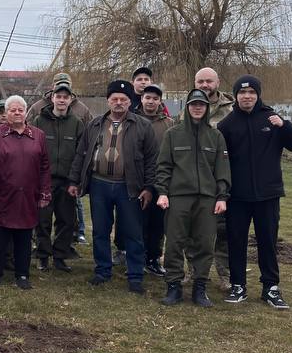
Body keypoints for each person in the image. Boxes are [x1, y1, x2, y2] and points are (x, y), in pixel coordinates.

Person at [217, 75, 292, 308]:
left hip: (268, 195)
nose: (247, 97)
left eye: (251, 93)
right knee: (237, 242)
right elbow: (219, 160)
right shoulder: (226, 125)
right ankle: (238, 286)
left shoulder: (272, 118)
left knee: (267, 241)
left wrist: (284, 125)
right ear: (236, 96)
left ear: (258, 95)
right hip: (237, 197)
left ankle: (271, 287)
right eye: (242, 93)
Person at [68, 79, 157, 294]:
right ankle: (102, 270)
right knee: (100, 230)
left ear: (129, 102)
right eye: (114, 99)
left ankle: (135, 275)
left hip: (129, 186)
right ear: (108, 101)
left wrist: (149, 187)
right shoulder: (95, 124)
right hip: (100, 184)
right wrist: (74, 181)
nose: (118, 103)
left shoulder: (142, 125)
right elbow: (82, 153)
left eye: (123, 99)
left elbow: (151, 159)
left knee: (133, 232)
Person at [155, 89, 231, 307]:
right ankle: (174, 286)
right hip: (178, 197)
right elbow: (164, 167)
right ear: (187, 107)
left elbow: (222, 170)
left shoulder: (215, 136)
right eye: (193, 104)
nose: (197, 108)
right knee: (174, 243)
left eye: (202, 105)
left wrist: (221, 196)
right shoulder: (173, 134)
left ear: (207, 108)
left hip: (207, 199)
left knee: (205, 243)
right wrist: (162, 192)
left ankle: (200, 287)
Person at [0, 96, 50, 289]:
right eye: (12, 110)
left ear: (26, 112)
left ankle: (22, 274)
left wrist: (45, 192)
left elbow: (45, 166)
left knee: (24, 237)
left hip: (27, 195)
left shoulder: (38, 135)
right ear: (6, 113)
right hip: (1, 194)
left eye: (20, 110)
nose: (17, 113)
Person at [29, 79, 83, 273]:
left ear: (70, 100)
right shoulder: (39, 121)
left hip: (67, 182)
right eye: (58, 96)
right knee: (43, 220)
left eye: (65, 97)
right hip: (44, 180)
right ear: (52, 99)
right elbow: (32, 150)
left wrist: (74, 180)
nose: (61, 100)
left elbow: (80, 153)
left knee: (66, 220)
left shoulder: (77, 123)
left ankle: (60, 256)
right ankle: (43, 255)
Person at [194, 67, 237, 288]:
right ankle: (193, 271)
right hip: (193, 177)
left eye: (209, 81)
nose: (204, 85)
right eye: (200, 81)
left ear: (217, 82)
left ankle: (225, 274)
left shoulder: (231, 109)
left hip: (221, 176)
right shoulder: (189, 106)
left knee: (222, 229)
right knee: (193, 229)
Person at [138, 84, 175, 277]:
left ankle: (153, 258)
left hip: (160, 180)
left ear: (160, 101)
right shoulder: (133, 120)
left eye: (155, 98)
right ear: (141, 99)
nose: (151, 101)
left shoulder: (168, 123)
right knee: (138, 221)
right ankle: (137, 256)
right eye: (147, 98)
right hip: (138, 179)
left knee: (158, 223)